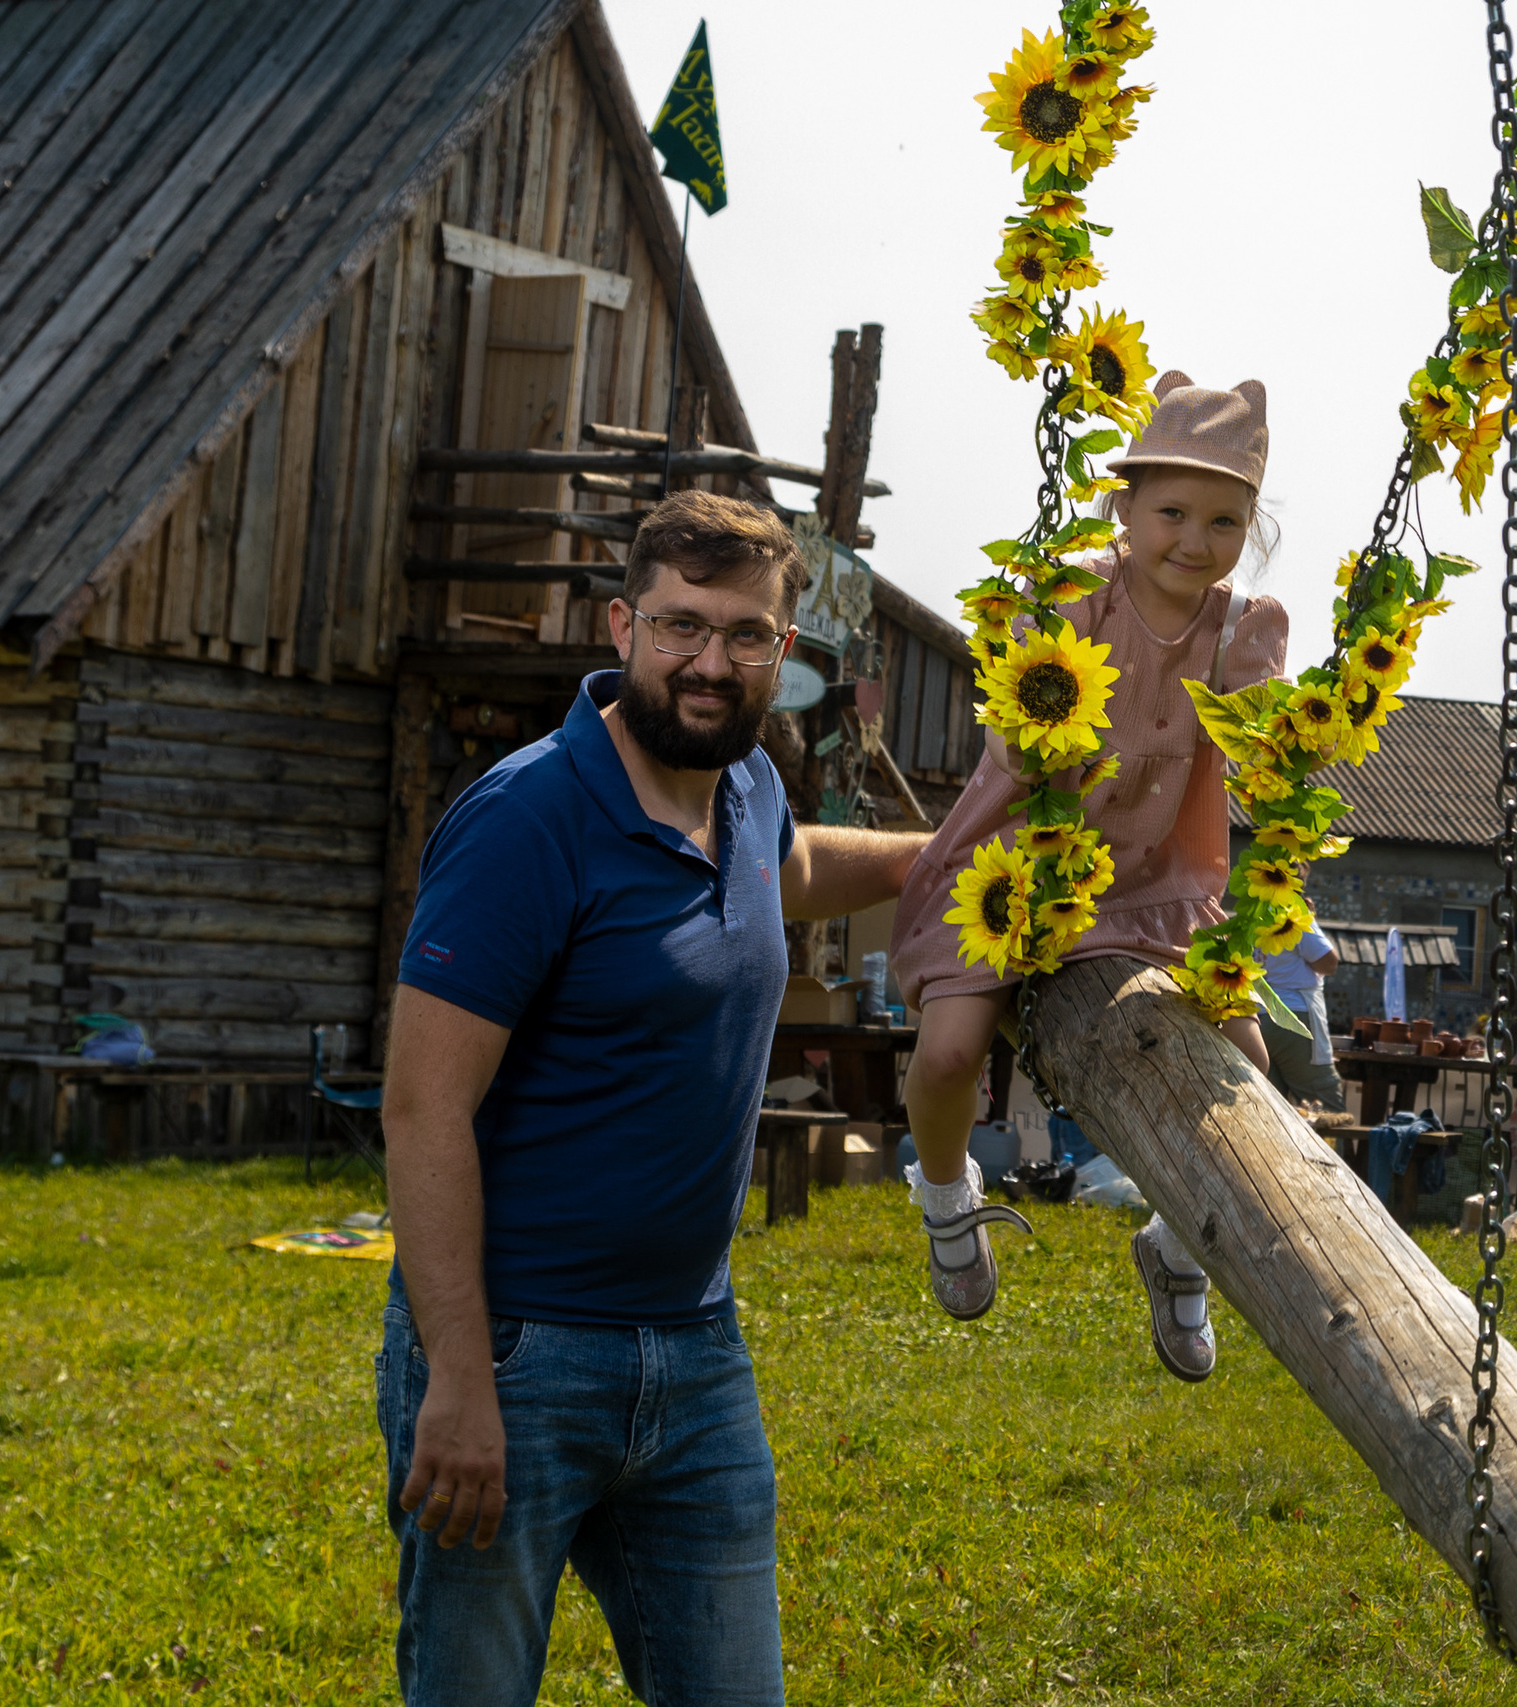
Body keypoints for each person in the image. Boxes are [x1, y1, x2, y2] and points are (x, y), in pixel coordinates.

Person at [377, 492, 928, 1704]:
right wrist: (458, 1379)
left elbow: (791, 868)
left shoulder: (745, 788)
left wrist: (940, 860)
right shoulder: (529, 820)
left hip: (695, 1351)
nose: (709, 663)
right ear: (623, 626)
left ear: (783, 652)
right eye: (681, 626)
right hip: (515, 1352)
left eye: (745, 635)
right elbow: (421, 1112)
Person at [890, 372, 1289, 1384]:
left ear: (1250, 528)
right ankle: (946, 1194)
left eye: (1224, 521)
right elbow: (1008, 734)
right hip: (1017, 862)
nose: (1193, 541)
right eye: (1171, 513)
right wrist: (1031, 719)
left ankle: (1178, 1245)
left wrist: (1290, 745)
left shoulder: (1243, 627)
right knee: (949, 1051)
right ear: (1123, 506)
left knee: (1249, 1069)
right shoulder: (1070, 597)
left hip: (1156, 882)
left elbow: (1265, 750)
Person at [1259, 923, 1344, 1108]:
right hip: (1295, 1017)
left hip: (1258, 1018)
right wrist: (1311, 921)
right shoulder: (1293, 916)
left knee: (1272, 1104)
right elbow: (1329, 963)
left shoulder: (1251, 915)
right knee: (1324, 1104)